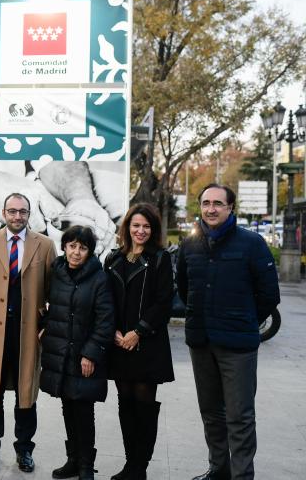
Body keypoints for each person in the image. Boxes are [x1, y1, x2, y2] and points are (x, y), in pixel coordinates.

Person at [177, 184, 280, 480]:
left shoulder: (252, 243)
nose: (211, 209)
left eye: (218, 203)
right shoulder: (190, 244)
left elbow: (268, 295)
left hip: (238, 346)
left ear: (230, 208)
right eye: (206, 203)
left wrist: (245, 320)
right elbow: (185, 288)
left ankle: (242, 476)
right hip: (201, 341)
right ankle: (218, 470)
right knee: (211, 413)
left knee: (240, 416)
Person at [0, 193, 56, 472]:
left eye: (23, 212)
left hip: (28, 330)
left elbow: (51, 286)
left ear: (29, 214)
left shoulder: (44, 245)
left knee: (25, 393)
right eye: (12, 211)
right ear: (3, 213)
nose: (17, 216)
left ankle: (24, 450)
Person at [103, 203, 175, 480]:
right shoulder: (113, 258)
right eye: (136, 225)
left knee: (144, 405)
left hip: (147, 344)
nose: (140, 230)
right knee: (125, 403)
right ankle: (130, 464)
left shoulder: (160, 258)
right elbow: (105, 300)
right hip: (119, 343)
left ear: (153, 229)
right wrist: (112, 332)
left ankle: (139, 467)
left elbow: (164, 302)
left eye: (146, 226)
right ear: (127, 228)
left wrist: (139, 331)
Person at [40, 226, 114, 480]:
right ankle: (72, 460)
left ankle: (85, 465)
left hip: (84, 356)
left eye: (82, 248)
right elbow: (49, 305)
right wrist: (43, 326)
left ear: (90, 251)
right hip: (61, 352)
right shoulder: (57, 272)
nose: (76, 252)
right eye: (72, 246)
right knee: (67, 407)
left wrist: (91, 354)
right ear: (64, 247)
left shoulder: (98, 278)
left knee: (83, 411)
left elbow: (105, 320)